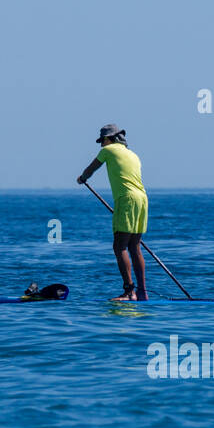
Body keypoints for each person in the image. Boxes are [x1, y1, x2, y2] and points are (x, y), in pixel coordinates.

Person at [77, 124, 148, 300]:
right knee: (135, 247)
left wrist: (82, 178)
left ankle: (129, 292)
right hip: (142, 199)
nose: (102, 145)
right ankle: (142, 292)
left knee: (119, 246)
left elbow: (91, 169)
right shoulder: (133, 154)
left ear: (110, 139)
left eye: (103, 140)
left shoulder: (108, 150)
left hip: (126, 200)